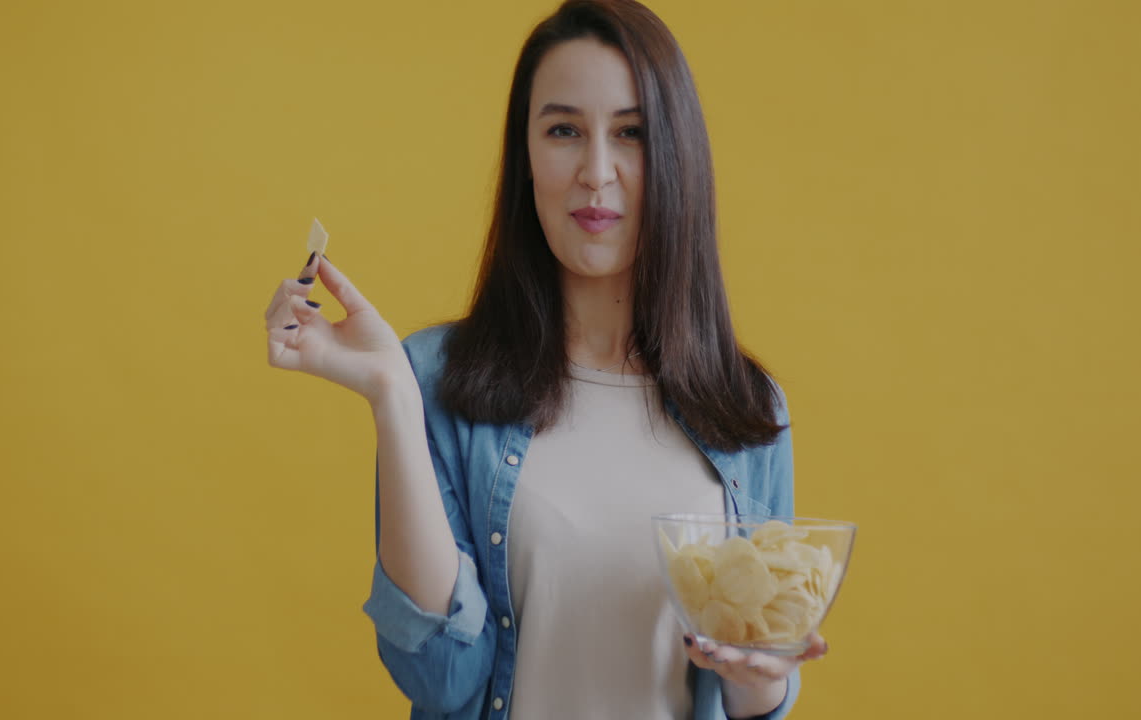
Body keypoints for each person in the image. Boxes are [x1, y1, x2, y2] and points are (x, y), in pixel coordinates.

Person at [263, 1, 828, 717]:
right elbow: (440, 679)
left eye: (631, 134)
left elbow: (754, 696)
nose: (597, 172)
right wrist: (393, 398)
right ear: (525, 156)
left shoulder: (749, 406)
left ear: (678, 156)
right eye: (563, 130)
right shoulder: (435, 378)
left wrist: (763, 671)